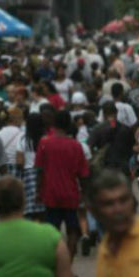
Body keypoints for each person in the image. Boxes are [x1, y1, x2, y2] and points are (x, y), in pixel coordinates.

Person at [35, 110, 89, 259]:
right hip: (71, 194)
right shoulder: (76, 146)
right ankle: (68, 264)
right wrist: (85, 195)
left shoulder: (44, 143)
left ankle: (57, 265)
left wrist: (38, 192)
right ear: (68, 125)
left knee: (53, 232)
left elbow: (39, 171)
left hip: (50, 194)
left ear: (53, 124)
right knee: (73, 231)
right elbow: (83, 174)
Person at [88, 101, 135, 177]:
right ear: (116, 112)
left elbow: (89, 148)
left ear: (103, 114)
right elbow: (132, 148)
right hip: (123, 169)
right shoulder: (126, 129)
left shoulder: (97, 129)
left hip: (105, 169)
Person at [0, 107, 24, 178]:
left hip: (1, 169)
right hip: (16, 168)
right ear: (16, 119)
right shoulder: (22, 134)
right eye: (21, 118)